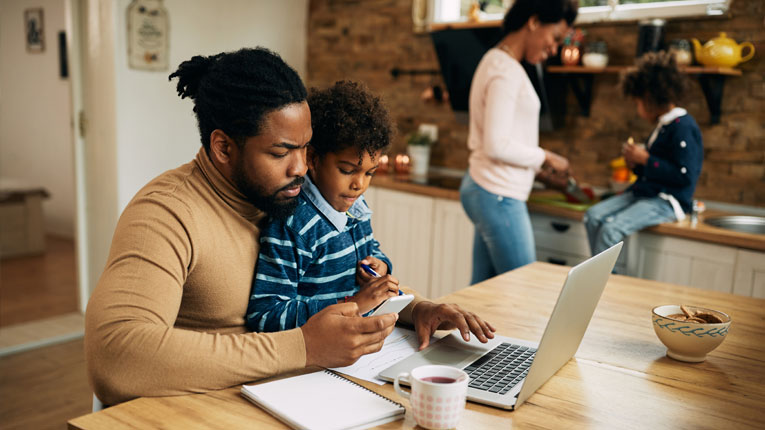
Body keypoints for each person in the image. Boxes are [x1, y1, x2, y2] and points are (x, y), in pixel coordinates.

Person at [85, 47, 495, 405]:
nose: (301, 168)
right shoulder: (168, 213)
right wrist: (302, 347)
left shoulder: (292, 194)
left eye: (305, 148)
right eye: (281, 152)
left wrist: (415, 308)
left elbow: (344, 280)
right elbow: (117, 358)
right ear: (223, 147)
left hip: (305, 394)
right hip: (206, 410)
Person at [245, 81, 399, 332]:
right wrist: (352, 305)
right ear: (313, 159)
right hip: (315, 359)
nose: (359, 185)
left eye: (370, 173)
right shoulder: (294, 225)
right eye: (347, 171)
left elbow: (372, 248)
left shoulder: (355, 207)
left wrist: (380, 266)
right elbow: (266, 314)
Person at [459, 0, 578, 285]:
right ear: (534, 22)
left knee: (483, 293)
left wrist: (540, 175)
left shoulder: (498, 61)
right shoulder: (505, 70)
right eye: (555, 38)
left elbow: (506, 140)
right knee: (523, 290)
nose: (554, 49)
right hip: (498, 194)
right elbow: (497, 145)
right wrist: (547, 157)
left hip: (488, 188)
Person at [584, 51, 703, 255]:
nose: (637, 109)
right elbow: (653, 170)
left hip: (667, 201)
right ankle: (598, 276)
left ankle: (607, 283)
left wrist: (647, 159)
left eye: (637, 103)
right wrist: (637, 164)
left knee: (610, 230)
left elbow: (685, 176)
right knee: (592, 216)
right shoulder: (663, 125)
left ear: (649, 98)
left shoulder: (683, 127)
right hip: (644, 193)